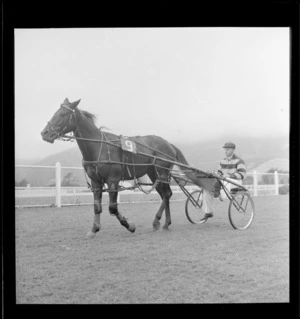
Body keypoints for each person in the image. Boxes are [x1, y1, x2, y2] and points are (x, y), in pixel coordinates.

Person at [201, 142, 246, 220]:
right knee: (206, 189)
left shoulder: (239, 160)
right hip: (223, 183)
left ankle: (220, 195)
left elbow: (242, 175)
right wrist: (213, 173)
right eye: (225, 150)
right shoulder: (222, 161)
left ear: (233, 150)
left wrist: (229, 175)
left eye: (227, 150)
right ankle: (208, 212)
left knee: (227, 179)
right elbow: (219, 173)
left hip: (236, 183)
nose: (225, 151)